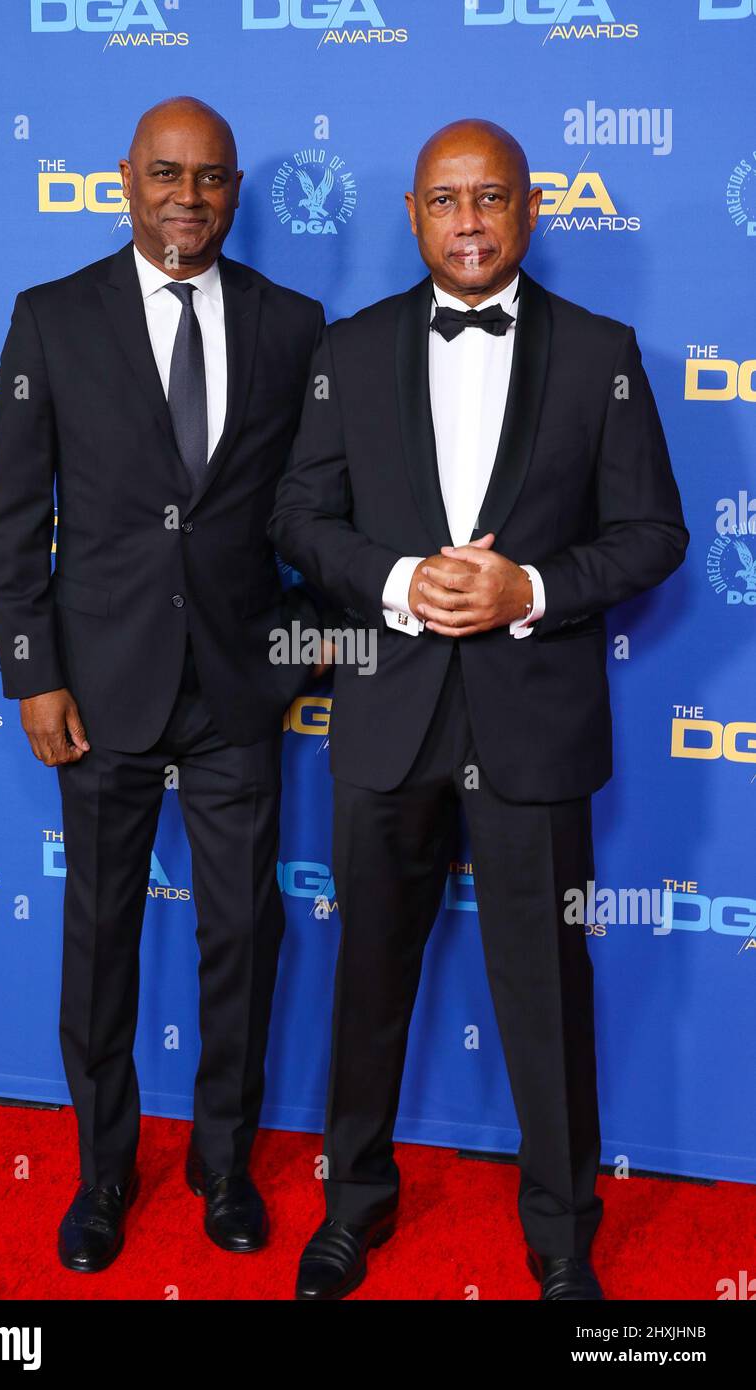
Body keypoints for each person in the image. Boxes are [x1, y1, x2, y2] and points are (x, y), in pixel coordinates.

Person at [269, 118, 688, 1301]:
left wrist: (532, 589)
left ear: (528, 210)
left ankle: (559, 1233)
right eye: (445, 199)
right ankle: (352, 1202)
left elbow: (654, 533)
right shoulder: (347, 351)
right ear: (412, 214)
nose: (466, 219)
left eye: (489, 197)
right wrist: (401, 582)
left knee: (546, 985)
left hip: (532, 719)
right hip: (389, 710)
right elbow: (298, 519)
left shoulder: (602, 351)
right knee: (366, 976)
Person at [0, 96, 324, 1273]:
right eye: (166, 174)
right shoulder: (53, 318)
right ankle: (101, 1174)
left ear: (236, 190)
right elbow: (15, 518)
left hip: (238, 689)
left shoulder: (294, 324)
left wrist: (310, 647)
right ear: (124, 179)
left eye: (212, 178)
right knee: (100, 938)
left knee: (243, 933)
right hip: (99, 684)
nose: (189, 198)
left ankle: (223, 1165)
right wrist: (33, 674)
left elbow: (320, 508)